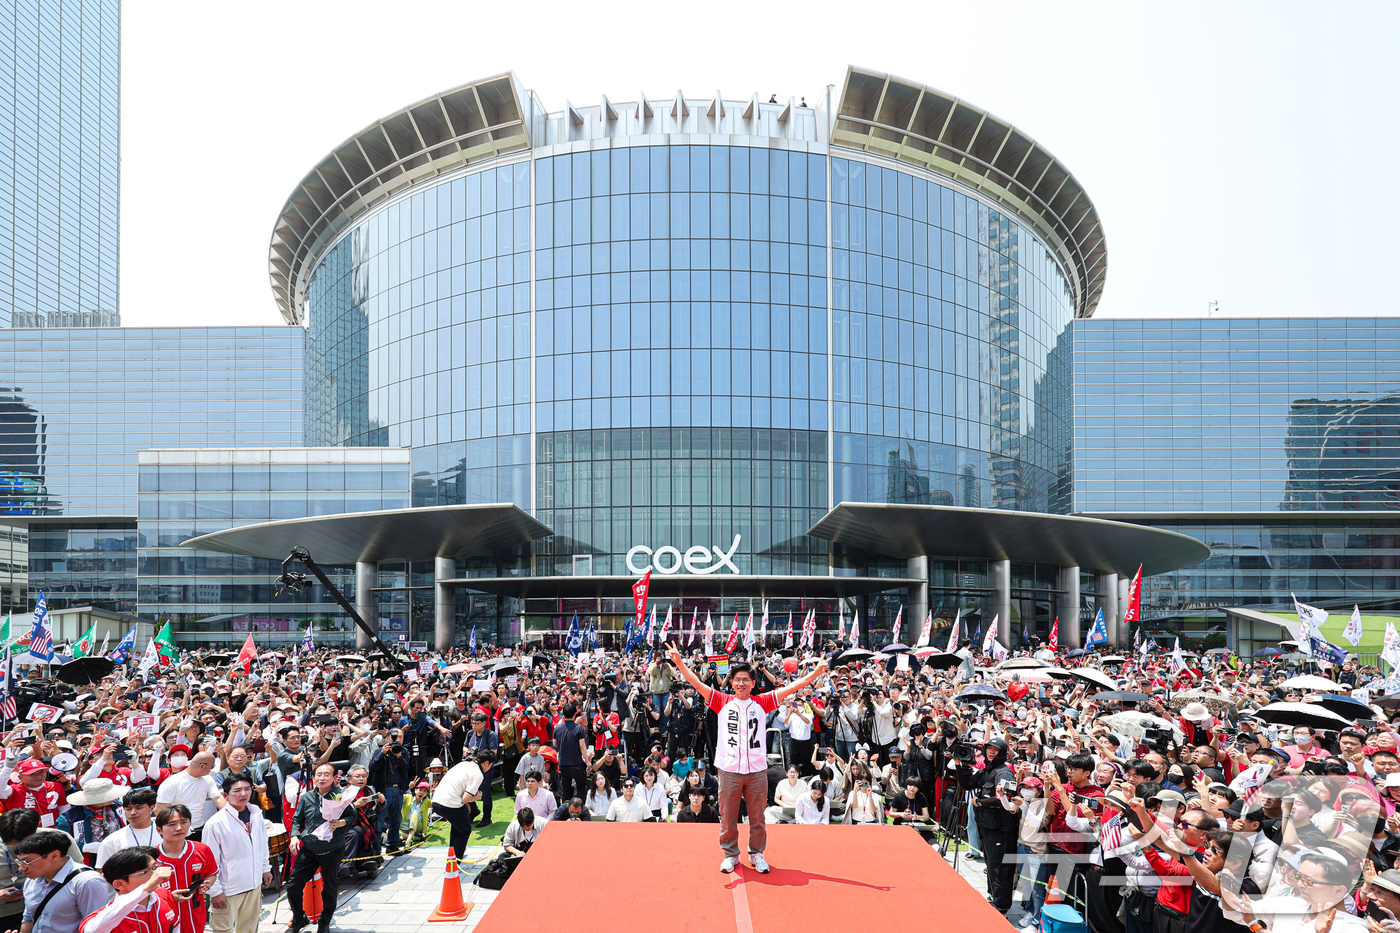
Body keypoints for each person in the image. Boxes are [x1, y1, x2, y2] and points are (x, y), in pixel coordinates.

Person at [667, 644, 828, 874]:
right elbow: (696, 683)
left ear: (753, 683)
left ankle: (757, 853)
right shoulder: (721, 701)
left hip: (756, 771)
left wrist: (814, 674)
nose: (741, 683)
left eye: (746, 680)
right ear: (731, 683)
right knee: (728, 816)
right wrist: (680, 663)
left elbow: (793, 686)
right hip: (730, 770)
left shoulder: (762, 703)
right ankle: (731, 854)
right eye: (737, 679)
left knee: (757, 817)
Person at [287, 764, 361, 933]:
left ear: (334, 778)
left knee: (329, 888)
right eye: (318, 774)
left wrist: (342, 822)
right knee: (292, 886)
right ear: (313, 778)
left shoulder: (341, 796)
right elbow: (297, 820)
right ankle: (299, 918)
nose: (321, 778)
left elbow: (352, 815)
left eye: (326, 775)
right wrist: (294, 836)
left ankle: (324, 922)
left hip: (332, 848)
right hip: (310, 848)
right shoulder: (306, 797)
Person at [959, 737, 1022, 915]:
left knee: (1000, 867)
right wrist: (959, 765)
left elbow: (1006, 798)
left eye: (996, 749)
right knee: (991, 865)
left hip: (1002, 829)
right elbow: (967, 784)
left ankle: (1001, 906)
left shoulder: (1004, 772)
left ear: (1003, 752)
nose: (991, 752)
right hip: (988, 826)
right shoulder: (987, 770)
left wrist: (980, 802)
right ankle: (994, 897)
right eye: (989, 749)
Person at [202, 774, 271, 933]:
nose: (243, 794)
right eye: (237, 790)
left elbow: (262, 843)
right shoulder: (215, 824)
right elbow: (210, 862)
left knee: (249, 929)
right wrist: (215, 891)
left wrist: (265, 868)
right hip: (228, 889)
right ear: (225, 795)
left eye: (247, 789)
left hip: (253, 885)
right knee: (223, 930)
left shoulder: (256, 814)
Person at [16, 828, 113, 933]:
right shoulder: (32, 880)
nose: (21, 868)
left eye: (27, 861)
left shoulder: (87, 882)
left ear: (54, 856)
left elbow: (96, 928)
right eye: (19, 862)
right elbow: (28, 919)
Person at [79, 849, 180, 933]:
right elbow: (90, 930)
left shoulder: (163, 895)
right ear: (120, 884)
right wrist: (146, 888)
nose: (155, 874)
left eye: (155, 867)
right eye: (146, 871)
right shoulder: (103, 916)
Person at [154, 805, 218, 933]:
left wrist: (207, 884)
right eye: (171, 824)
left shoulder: (202, 850)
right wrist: (169, 898)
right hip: (165, 922)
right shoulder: (151, 859)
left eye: (184, 822)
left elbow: (212, 873)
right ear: (159, 830)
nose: (179, 828)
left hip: (196, 919)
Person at [155, 752, 226, 841]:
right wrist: (178, 826)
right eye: (211, 767)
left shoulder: (208, 779)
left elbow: (218, 798)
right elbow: (160, 810)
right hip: (177, 831)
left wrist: (232, 814)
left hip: (199, 828)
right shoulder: (172, 782)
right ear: (202, 766)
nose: (211, 770)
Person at [430, 752, 486, 858]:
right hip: (449, 803)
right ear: (487, 763)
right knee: (465, 830)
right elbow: (466, 798)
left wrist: (463, 803)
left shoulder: (462, 764)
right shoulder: (478, 773)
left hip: (436, 801)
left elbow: (459, 791)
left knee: (457, 826)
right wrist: (477, 797)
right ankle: (456, 861)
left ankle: (453, 857)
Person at [553, 704, 590, 803]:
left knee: (566, 790)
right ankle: (580, 811)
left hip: (563, 763)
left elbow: (554, 744)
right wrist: (587, 761)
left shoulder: (558, 728)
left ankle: (566, 811)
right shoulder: (579, 728)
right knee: (581, 789)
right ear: (575, 714)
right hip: (576, 762)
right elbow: (582, 746)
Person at [401, 781, 432, 848]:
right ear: (415, 790)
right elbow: (399, 797)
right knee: (389, 831)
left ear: (426, 794)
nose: (421, 792)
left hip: (418, 826)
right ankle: (412, 837)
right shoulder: (408, 797)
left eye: (424, 791)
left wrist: (435, 792)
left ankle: (408, 841)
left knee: (414, 815)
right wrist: (408, 787)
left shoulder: (426, 801)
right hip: (405, 825)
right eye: (420, 790)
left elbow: (436, 804)